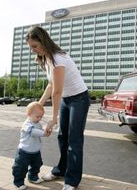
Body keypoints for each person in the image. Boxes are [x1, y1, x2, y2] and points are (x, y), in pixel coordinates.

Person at [26, 26, 90, 190]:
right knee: (63, 137)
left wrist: (53, 119)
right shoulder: (46, 59)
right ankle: (61, 170)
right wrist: (37, 106)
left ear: (44, 41)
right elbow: (50, 85)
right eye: (31, 47)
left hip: (79, 99)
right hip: (67, 99)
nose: (33, 50)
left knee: (74, 139)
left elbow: (57, 91)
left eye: (35, 46)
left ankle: (72, 181)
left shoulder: (58, 58)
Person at [12, 101, 50, 190]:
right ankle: (18, 182)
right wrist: (44, 133)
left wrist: (47, 130)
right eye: (38, 116)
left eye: (41, 116)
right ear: (29, 114)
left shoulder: (38, 123)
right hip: (24, 151)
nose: (40, 118)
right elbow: (33, 132)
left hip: (35, 151)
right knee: (20, 167)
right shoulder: (27, 124)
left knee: (37, 164)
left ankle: (33, 177)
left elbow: (40, 131)